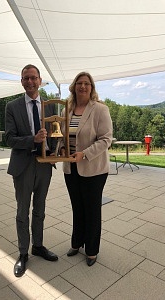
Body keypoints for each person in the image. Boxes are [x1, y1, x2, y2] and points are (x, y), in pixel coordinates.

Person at [5, 64, 58, 277]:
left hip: (44, 166)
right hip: (23, 165)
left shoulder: (51, 105)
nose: (30, 82)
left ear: (40, 80)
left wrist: (56, 150)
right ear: (22, 81)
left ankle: (38, 245)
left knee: (40, 209)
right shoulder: (12, 106)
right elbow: (9, 138)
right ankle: (23, 253)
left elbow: (56, 133)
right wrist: (32, 140)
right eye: (26, 78)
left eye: (33, 78)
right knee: (22, 211)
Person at [60, 71, 113, 266]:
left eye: (87, 84)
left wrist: (85, 154)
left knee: (91, 209)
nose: (83, 86)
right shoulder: (67, 110)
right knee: (77, 207)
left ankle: (91, 250)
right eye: (79, 83)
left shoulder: (100, 109)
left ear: (91, 88)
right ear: (73, 86)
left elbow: (106, 139)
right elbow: (62, 136)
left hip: (94, 168)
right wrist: (63, 147)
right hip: (70, 168)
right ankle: (76, 242)